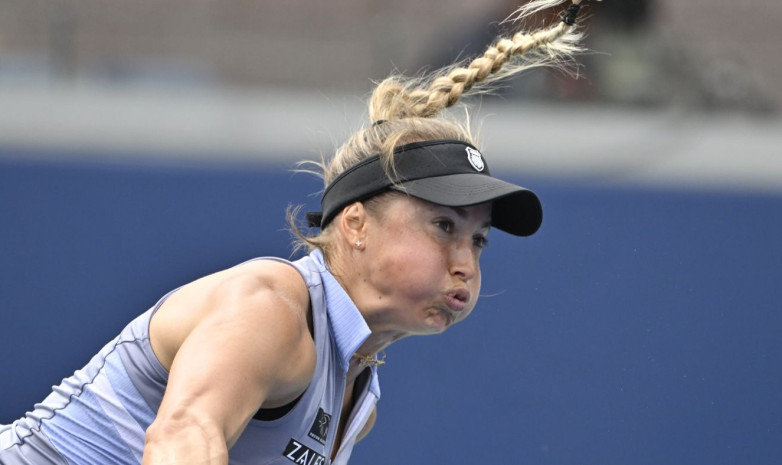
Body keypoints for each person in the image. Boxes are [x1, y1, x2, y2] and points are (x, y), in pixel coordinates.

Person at [0, 1, 590, 463]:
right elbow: (182, 435)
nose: (465, 262)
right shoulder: (270, 309)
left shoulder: (359, 402)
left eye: (478, 240)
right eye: (443, 226)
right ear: (355, 225)